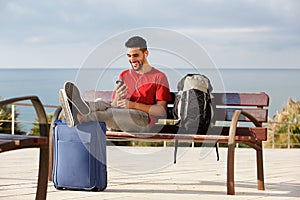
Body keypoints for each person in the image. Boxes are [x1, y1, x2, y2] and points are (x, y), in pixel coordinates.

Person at [59, 36, 172, 132]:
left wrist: (132, 105)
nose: (132, 59)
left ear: (146, 53)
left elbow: (161, 111)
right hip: (122, 113)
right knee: (101, 104)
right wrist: (118, 97)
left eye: (135, 55)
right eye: (129, 56)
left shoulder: (159, 77)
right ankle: (78, 108)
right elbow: (114, 104)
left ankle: (79, 117)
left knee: (109, 113)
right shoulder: (125, 75)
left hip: (144, 120)